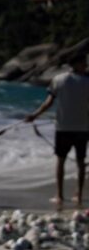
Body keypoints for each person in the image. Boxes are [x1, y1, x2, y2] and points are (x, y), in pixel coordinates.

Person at [25, 53, 89, 210]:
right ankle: (78, 195)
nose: (86, 65)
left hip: (63, 128)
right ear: (77, 64)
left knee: (61, 161)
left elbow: (48, 103)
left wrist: (34, 115)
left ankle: (60, 195)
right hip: (82, 128)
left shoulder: (58, 79)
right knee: (80, 162)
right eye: (83, 62)